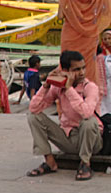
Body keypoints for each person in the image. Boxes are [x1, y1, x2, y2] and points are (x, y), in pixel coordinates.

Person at [27, 50, 102, 181]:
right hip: (68, 137)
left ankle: (85, 163)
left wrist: (69, 90)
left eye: (83, 68)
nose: (82, 72)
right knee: (33, 117)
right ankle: (49, 161)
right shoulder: (57, 88)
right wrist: (45, 86)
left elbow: (87, 113)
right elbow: (34, 108)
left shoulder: (90, 87)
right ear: (65, 70)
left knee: (88, 121)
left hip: (91, 140)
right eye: (76, 69)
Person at [59, 0, 111, 86]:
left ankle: (67, 89)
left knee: (67, 64)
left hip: (70, 34)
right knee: (88, 68)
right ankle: (87, 91)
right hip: (90, 34)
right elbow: (106, 13)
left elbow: (60, 16)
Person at [97, 30, 111, 114]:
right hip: (105, 82)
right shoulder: (100, 53)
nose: (107, 41)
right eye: (105, 39)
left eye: (109, 38)